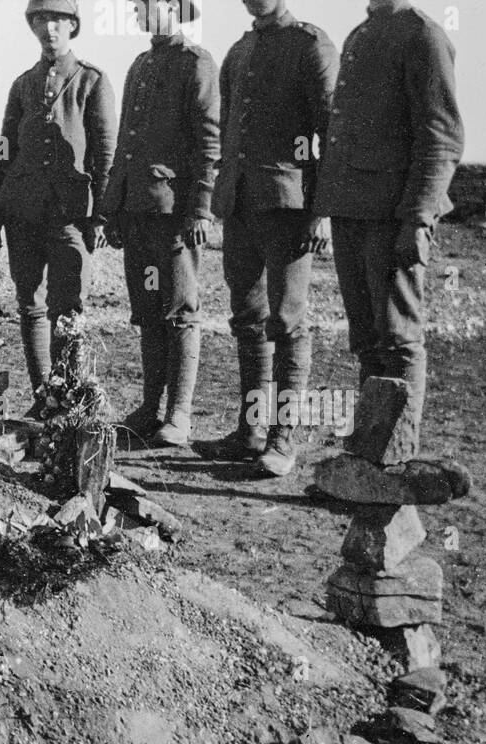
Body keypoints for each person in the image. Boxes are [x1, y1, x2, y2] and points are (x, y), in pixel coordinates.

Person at [201, 0, 337, 476]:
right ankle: (251, 431)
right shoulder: (240, 50)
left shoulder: (309, 45)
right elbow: (226, 131)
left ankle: (283, 438)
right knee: (248, 318)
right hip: (240, 203)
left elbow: (330, 131)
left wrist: (321, 210)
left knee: (287, 320)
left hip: (290, 205)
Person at [314, 0, 464, 430]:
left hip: (392, 215)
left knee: (398, 338)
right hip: (352, 209)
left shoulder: (422, 34)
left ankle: (394, 458)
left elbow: (443, 137)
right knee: (367, 340)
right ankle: (368, 452)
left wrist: (419, 219)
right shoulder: (363, 33)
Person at [0, 0, 117, 415]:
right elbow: (5, 150)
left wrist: (100, 215)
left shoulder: (91, 82)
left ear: (73, 26)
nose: (50, 29)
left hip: (70, 214)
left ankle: (69, 399)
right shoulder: (23, 84)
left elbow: (105, 155)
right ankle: (44, 396)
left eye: (58, 20)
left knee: (69, 307)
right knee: (30, 303)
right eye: (41, 20)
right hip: (22, 212)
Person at [102, 0, 218, 448]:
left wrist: (200, 208)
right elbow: (125, 143)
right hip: (138, 208)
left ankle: (180, 413)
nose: (136, 11)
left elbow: (209, 141)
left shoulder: (196, 63)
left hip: (174, 212)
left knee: (180, 310)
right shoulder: (140, 65)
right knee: (148, 308)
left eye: (144, 5)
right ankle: (150, 409)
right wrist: (114, 205)